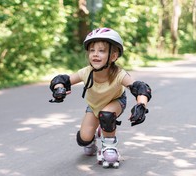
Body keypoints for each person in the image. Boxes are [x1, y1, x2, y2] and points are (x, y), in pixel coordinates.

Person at [49, 27, 152, 167]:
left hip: (115, 102)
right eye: (92, 50)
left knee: (107, 115)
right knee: (83, 139)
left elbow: (140, 87)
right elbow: (62, 79)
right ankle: (97, 132)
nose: (95, 54)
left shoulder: (118, 74)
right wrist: (58, 89)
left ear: (113, 56)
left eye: (101, 51)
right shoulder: (86, 72)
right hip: (94, 106)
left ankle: (109, 146)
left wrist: (141, 105)